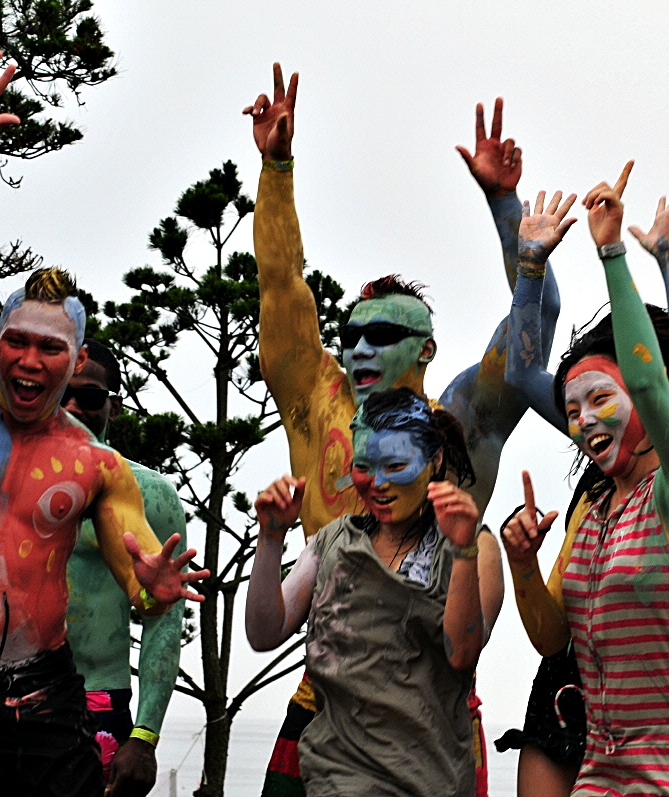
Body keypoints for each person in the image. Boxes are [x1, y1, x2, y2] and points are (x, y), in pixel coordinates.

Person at [244, 64, 545, 795]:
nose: (360, 349)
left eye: (383, 335)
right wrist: (276, 170)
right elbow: (281, 287)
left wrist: (507, 208)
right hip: (325, 707)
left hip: (432, 715)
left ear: (426, 349)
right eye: (351, 335)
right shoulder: (318, 399)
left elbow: (532, 331)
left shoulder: (462, 418)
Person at [501, 163, 669, 796]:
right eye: (573, 410)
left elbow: (651, 381)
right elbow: (552, 638)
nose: (584, 420)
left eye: (601, 399)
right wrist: (522, 563)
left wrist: (618, 252)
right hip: (606, 760)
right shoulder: (596, 508)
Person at [0, 261, 208, 793]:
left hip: (46, 692)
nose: (30, 360)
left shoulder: (98, 467)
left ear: (76, 358)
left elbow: (148, 594)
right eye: (17, 342)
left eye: (50, 348)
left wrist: (153, 589)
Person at [246, 389, 487, 796]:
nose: (377, 483)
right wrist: (270, 538)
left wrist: (463, 551)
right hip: (334, 775)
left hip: (430, 778)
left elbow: (463, 654)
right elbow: (264, 632)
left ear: (435, 460)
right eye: (363, 467)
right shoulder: (333, 542)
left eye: (396, 465)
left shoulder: (474, 546)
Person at [64, 340, 187, 796]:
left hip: (98, 698)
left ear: (113, 407)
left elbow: (164, 620)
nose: (72, 407)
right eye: (60, 392)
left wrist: (145, 736)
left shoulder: (150, 494)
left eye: (89, 396)